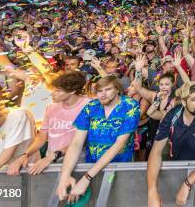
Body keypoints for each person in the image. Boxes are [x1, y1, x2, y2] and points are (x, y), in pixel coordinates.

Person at [56, 75, 140, 204]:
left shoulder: (130, 105)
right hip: (92, 167)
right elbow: (76, 143)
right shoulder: (91, 107)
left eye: (107, 90)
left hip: (119, 168)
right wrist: (64, 176)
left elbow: (118, 144)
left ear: (117, 89)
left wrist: (86, 178)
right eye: (99, 91)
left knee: (118, 202)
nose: (103, 94)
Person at [147, 81, 195, 207]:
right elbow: (155, 152)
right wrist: (152, 190)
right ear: (183, 102)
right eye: (194, 99)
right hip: (177, 172)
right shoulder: (172, 115)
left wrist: (187, 183)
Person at [8, 72, 89, 175]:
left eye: (58, 91)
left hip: (77, 163)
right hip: (51, 162)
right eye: (53, 89)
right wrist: (25, 154)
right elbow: (42, 136)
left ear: (72, 91)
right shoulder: (51, 107)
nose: (52, 93)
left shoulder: (88, 105)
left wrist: (52, 157)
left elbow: (83, 141)